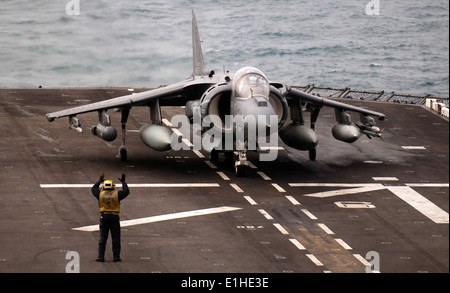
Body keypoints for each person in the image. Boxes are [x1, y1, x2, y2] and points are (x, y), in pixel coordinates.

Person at [91, 173, 129, 262]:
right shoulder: (117, 194)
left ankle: (101, 256)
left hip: (104, 217)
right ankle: (116, 257)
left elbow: (93, 189)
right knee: (115, 238)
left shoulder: (100, 195)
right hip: (114, 217)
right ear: (113, 186)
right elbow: (126, 191)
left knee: (103, 238)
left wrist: (99, 181)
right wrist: (123, 182)